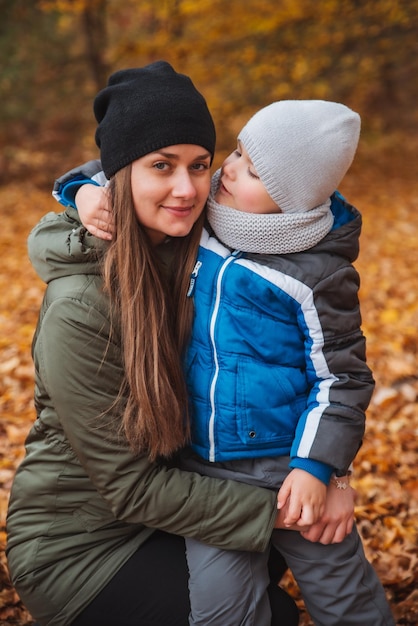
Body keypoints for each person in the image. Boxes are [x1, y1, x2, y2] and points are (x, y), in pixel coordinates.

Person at [58, 100, 395, 625]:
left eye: (253, 170)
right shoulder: (201, 219)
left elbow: (342, 378)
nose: (228, 169)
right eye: (237, 151)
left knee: (342, 593)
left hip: (287, 469)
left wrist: (320, 469)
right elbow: (120, 163)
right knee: (220, 608)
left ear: (291, 199)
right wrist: (80, 192)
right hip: (206, 473)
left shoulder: (315, 274)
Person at [6, 61, 304, 626]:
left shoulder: (206, 252)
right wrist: (290, 511)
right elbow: (131, 488)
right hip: (80, 547)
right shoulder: (78, 308)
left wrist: (321, 470)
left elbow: (312, 236)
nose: (186, 189)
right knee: (275, 614)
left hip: (173, 506)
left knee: (268, 576)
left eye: (199, 166)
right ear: (120, 176)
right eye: (160, 167)